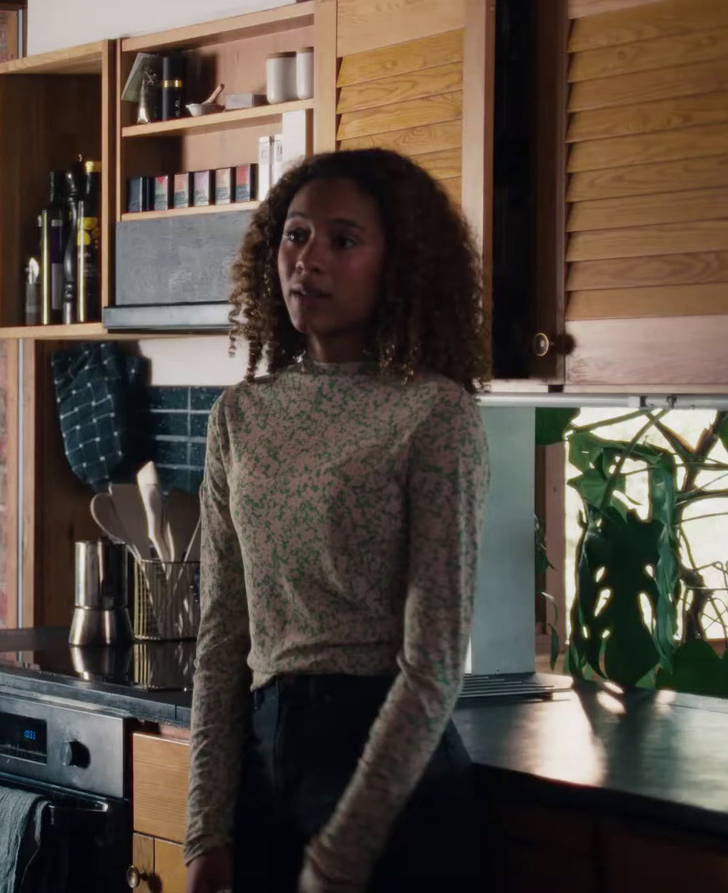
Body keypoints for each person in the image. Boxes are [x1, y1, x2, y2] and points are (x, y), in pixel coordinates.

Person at [183, 149, 491, 893]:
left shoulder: (434, 413)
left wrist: (344, 848)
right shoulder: (241, 415)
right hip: (265, 765)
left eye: (343, 240)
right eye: (295, 235)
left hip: (389, 785)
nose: (308, 259)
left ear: (399, 266)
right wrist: (206, 829)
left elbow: (436, 662)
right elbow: (224, 634)